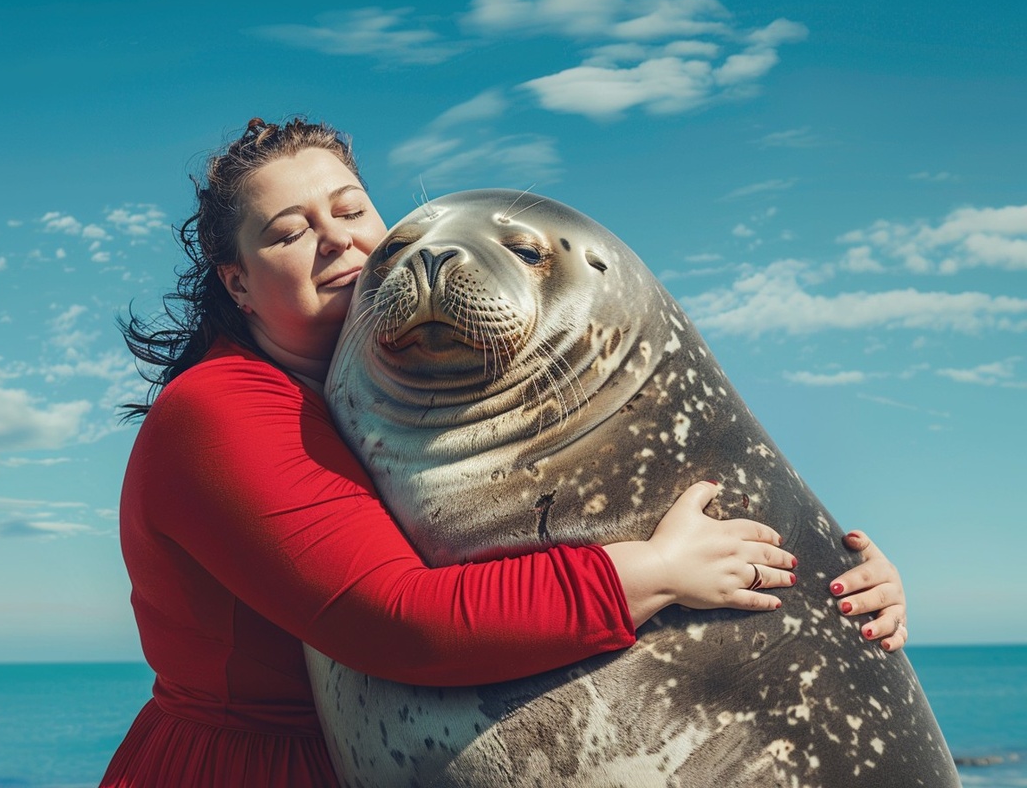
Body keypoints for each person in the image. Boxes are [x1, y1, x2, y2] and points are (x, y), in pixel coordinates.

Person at [100, 118, 908, 787]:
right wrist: (653, 573)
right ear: (237, 283)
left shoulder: (373, 404)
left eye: (350, 210)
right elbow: (394, 620)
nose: (335, 241)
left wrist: (836, 590)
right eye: (289, 231)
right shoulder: (222, 410)